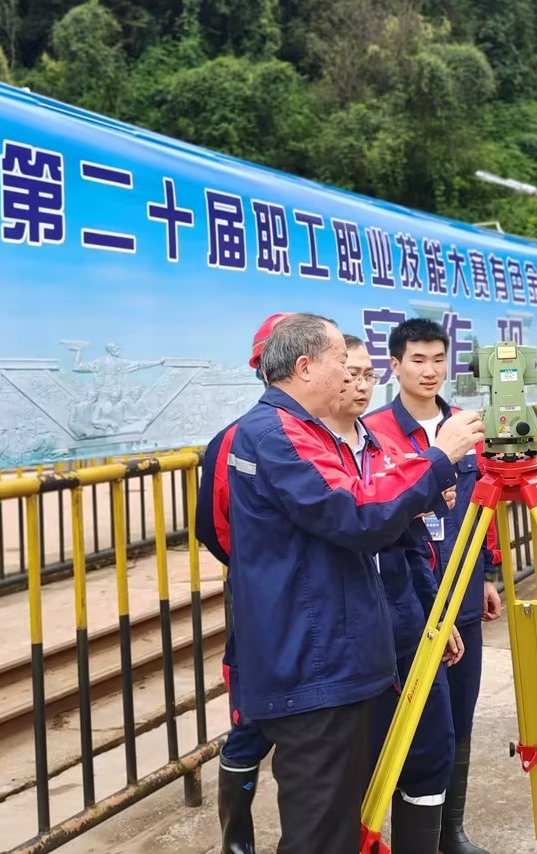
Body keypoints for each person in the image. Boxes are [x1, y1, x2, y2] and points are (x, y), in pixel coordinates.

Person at [225, 313, 486, 853]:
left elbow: (379, 526)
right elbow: (356, 512)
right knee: (321, 832)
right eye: (343, 364)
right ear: (305, 367)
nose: (352, 377)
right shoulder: (278, 433)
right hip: (313, 661)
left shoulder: (312, 432)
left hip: (339, 652)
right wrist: (440, 459)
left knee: (346, 814)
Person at [362, 318, 502, 854]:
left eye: (438, 359)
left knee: (459, 717)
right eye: (417, 360)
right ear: (394, 365)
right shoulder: (374, 432)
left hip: (461, 594)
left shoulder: (467, 427)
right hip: (407, 604)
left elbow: (484, 504)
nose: (429, 371)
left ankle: (451, 832)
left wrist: (487, 574)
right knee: (410, 721)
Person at [323, 334, 461, 854]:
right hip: (348, 639)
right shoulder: (310, 452)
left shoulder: (381, 448)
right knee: (357, 763)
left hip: (405, 626)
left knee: (430, 750)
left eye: (366, 374)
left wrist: (435, 617)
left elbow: (412, 544)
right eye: (349, 373)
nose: (360, 384)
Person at [195, 311, 290, 854]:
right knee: (253, 716)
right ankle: (237, 842)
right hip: (261, 596)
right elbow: (213, 527)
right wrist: (261, 568)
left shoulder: (342, 433)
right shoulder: (233, 440)